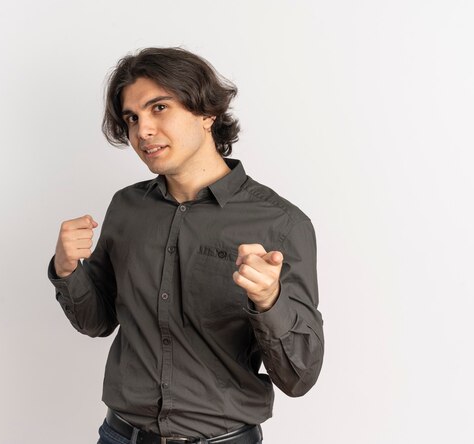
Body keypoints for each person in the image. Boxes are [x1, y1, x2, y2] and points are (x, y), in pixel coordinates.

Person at [47, 47, 324, 444]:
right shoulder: (127, 208)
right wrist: (67, 269)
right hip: (120, 435)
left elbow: (300, 377)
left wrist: (269, 300)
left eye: (159, 108)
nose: (142, 131)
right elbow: (98, 321)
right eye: (132, 118)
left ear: (207, 113)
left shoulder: (280, 223)